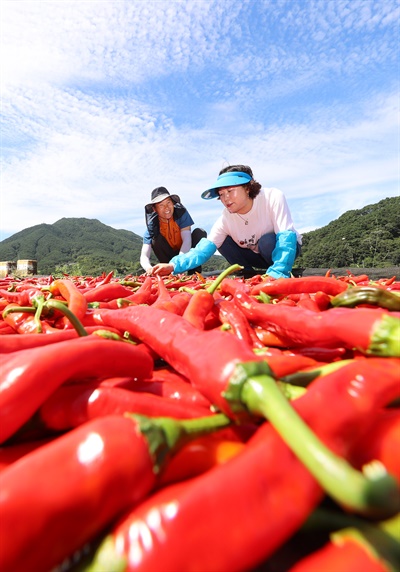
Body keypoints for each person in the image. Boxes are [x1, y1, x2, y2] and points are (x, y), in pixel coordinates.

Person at [151, 165, 302, 279]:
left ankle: (277, 270)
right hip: (255, 257)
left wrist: (278, 273)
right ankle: (248, 273)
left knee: (267, 241)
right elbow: (202, 251)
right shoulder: (225, 219)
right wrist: (173, 266)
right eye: (221, 194)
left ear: (248, 188)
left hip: (280, 251)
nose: (226, 199)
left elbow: (286, 238)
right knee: (219, 242)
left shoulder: (272, 198)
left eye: (230, 191)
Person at [140, 186, 206, 275]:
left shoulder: (181, 215)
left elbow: (187, 240)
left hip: (185, 253)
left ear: (173, 203)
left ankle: (194, 272)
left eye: (168, 203)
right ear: (154, 209)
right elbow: (144, 255)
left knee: (199, 233)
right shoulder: (152, 227)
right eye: (161, 205)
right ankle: (168, 272)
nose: (167, 208)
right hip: (168, 258)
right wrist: (149, 268)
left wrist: (177, 264)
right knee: (155, 239)